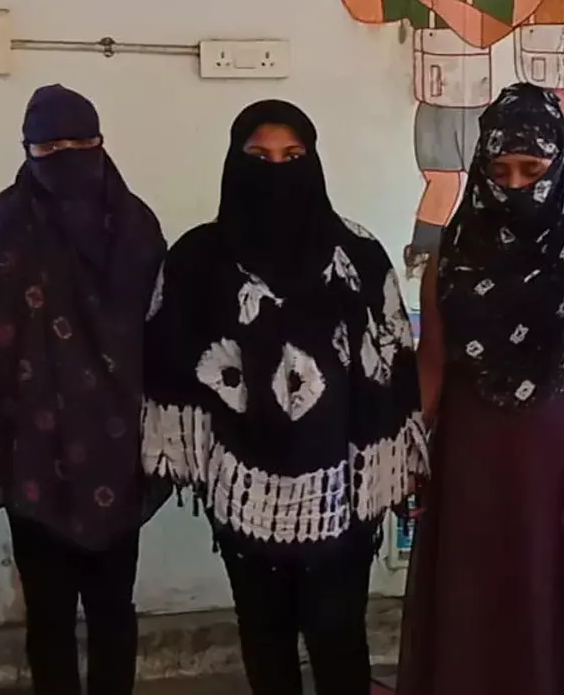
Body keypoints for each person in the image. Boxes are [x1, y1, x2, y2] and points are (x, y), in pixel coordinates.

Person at [140, 100, 428, 695]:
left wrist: (393, 464)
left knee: (337, 636)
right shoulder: (197, 259)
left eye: (293, 157)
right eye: (260, 157)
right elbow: (169, 363)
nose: (277, 171)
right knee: (264, 636)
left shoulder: (357, 255)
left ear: (314, 162)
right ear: (234, 162)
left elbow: (393, 358)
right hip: (244, 492)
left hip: (343, 492)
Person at [396, 82, 564, 695]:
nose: (515, 186)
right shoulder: (455, 252)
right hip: (474, 458)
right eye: (500, 171)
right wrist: (408, 452)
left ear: (561, 163)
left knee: (554, 593)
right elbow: (433, 362)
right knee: (476, 596)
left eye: (532, 170)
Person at [0, 84, 168, 695]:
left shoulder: (134, 226)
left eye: (80, 143)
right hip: (32, 452)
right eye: (49, 148)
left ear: (101, 143)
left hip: (118, 447)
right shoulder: (2, 225)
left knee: (112, 606)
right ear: (26, 150)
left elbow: (165, 332)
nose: (65, 157)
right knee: (47, 612)